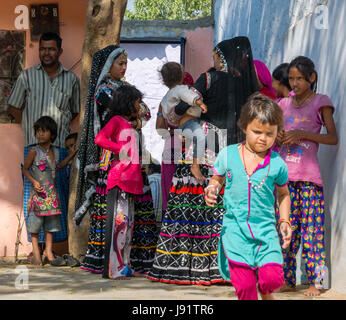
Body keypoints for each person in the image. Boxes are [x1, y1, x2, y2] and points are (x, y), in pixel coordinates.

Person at [148, 36, 259, 285]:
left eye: (216, 56)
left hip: (203, 145)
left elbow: (187, 102)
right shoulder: (247, 86)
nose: (214, 60)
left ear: (222, 58)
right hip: (233, 150)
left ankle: (184, 266)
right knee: (221, 207)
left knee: (191, 203)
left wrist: (176, 116)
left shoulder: (209, 78)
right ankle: (223, 268)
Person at [204, 94, 291, 300]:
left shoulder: (278, 163)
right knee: (245, 287)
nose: (263, 138)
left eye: (270, 133)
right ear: (244, 127)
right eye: (257, 131)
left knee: (271, 280)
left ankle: (266, 291)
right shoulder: (228, 154)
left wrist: (284, 220)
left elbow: (284, 194)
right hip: (235, 232)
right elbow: (217, 179)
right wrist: (212, 188)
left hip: (265, 232)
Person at [8, 31, 80, 250]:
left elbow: (75, 111)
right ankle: (36, 250)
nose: (46, 53)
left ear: (59, 51)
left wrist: (56, 131)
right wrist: (31, 128)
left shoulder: (71, 79)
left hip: (58, 150)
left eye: (51, 49)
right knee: (34, 197)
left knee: (57, 198)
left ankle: (54, 249)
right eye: (42, 49)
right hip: (33, 147)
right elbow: (13, 106)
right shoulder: (27, 76)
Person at [276, 56, 338, 296]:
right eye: (291, 78)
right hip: (284, 180)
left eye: (299, 78)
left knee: (312, 232)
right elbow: (275, 134)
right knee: (285, 230)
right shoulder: (282, 104)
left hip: (310, 179)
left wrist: (303, 134)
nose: (294, 83)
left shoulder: (321, 102)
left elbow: (332, 138)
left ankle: (317, 282)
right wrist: (279, 137)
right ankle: (287, 280)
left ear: (311, 78)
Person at [76, 45, 129, 273]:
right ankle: (104, 258)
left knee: (131, 203)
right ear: (108, 66)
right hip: (111, 153)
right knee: (111, 204)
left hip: (132, 152)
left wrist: (134, 115)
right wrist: (133, 113)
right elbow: (123, 108)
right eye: (120, 63)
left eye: (126, 63)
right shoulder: (103, 90)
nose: (124, 68)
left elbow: (144, 111)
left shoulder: (125, 87)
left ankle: (126, 258)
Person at [94, 85, 144, 279]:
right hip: (120, 178)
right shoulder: (116, 121)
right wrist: (118, 149)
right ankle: (113, 268)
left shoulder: (130, 124)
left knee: (128, 226)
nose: (139, 105)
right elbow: (100, 138)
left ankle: (124, 266)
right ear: (128, 101)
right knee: (119, 225)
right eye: (137, 101)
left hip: (131, 179)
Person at [23, 116, 74, 266]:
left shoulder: (56, 152)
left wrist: (71, 155)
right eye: (38, 131)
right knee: (35, 225)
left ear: (52, 135)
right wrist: (33, 181)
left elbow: (59, 167)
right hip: (37, 196)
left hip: (52, 196)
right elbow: (25, 169)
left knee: (50, 225)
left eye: (44, 131)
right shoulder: (33, 151)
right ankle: (37, 254)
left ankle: (49, 252)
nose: (40, 134)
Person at [159, 62, 208, 182]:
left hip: (175, 137)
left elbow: (165, 118)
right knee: (201, 137)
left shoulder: (166, 97)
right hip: (187, 127)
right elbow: (189, 96)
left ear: (164, 81)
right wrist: (200, 102)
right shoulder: (182, 90)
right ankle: (195, 166)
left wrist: (173, 120)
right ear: (182, 76)